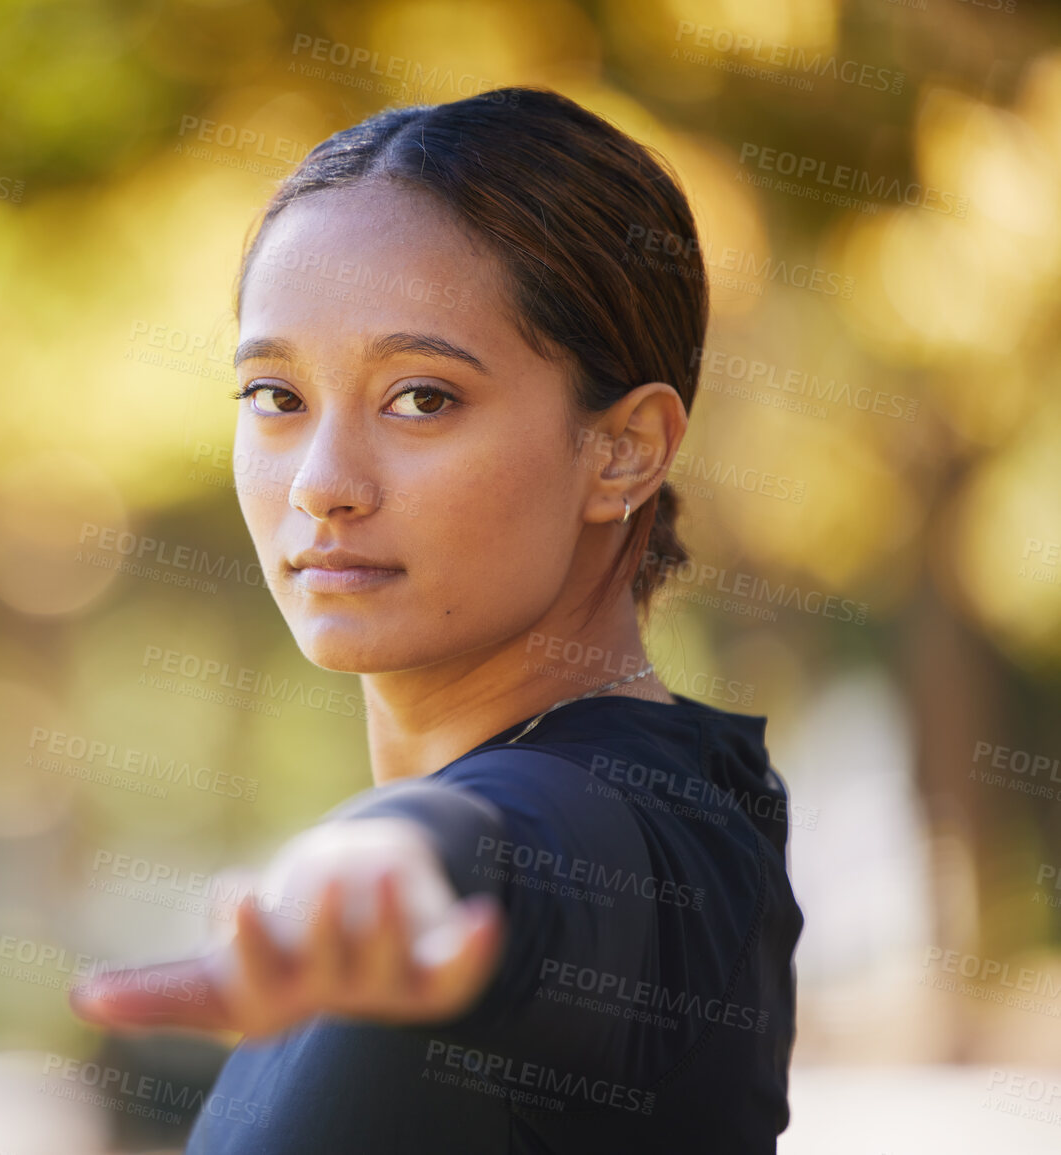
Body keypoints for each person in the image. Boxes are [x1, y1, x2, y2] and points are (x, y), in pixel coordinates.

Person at [69, 86, 803, 1153]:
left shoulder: (643, 832)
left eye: (422, 397)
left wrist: (387, 857)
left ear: (625, 448)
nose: (322, 484)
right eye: (276, 397)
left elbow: (516, 850)